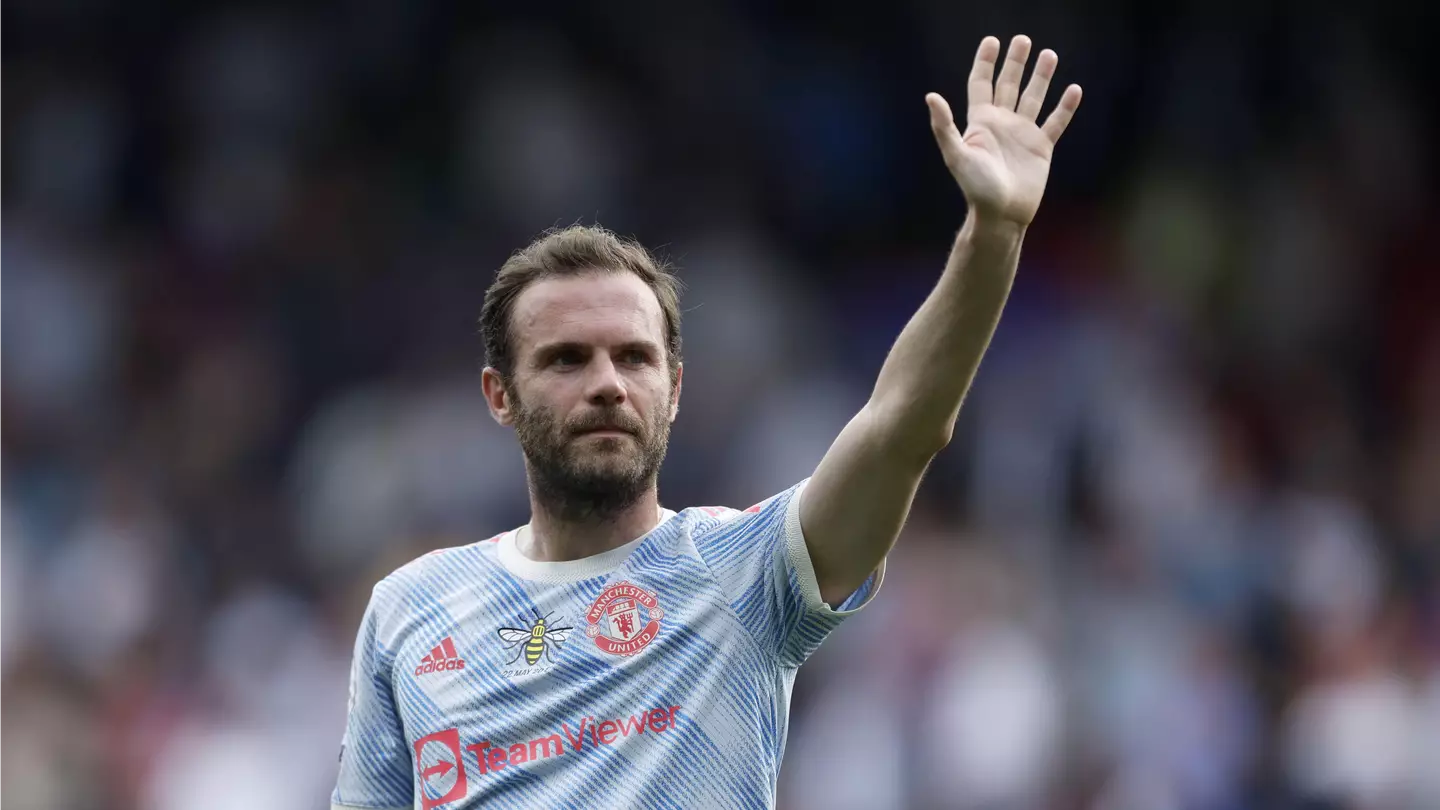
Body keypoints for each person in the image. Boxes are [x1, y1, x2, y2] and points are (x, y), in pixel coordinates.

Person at [331, 33, 1082, 810]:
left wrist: (991, 235)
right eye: (565, 360)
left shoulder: (746, 575)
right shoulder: (410, 609)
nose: (607, 385)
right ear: (499, 395)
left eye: (634, 357)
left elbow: (901, 427)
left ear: (676, 387)